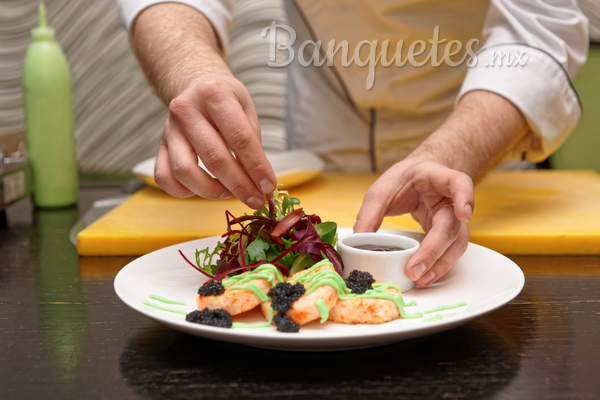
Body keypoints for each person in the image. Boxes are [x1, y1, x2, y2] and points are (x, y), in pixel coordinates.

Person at [116, 0, 588, 287]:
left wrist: (451, 154)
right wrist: (195, 71)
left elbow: (542, 24)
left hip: (479, 146)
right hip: (328, 139)